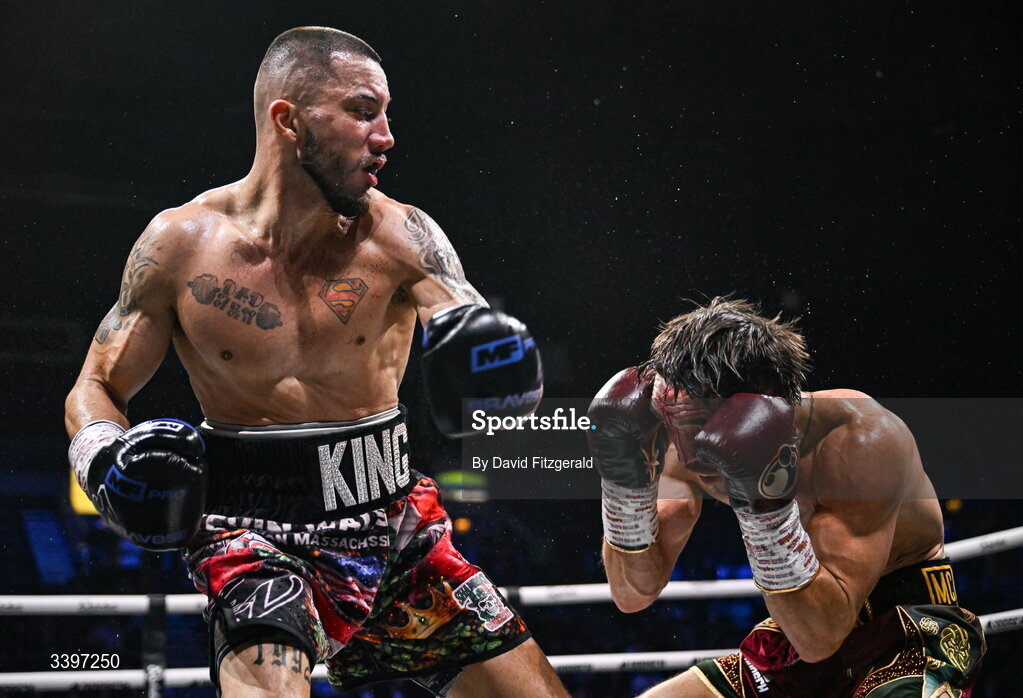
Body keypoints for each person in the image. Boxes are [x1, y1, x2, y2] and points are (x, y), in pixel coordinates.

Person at [64, 26, 567, 698]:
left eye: (385, 114)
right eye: (362, 112)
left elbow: (476, 337)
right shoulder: (180, 245)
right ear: (289, 121)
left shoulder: (400, 234)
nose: (385, 136)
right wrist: (102, 459)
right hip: (248, 536)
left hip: (395, 528)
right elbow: (95, 384)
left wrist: (505, 382)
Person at [588, 297, 985, 697]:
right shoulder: (686, 442)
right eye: (674, 423)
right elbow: (633, 593)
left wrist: (765, 511)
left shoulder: (860, 439)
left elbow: (822, 638)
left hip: (906, 626)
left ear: (765, 397)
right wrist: (625, 485)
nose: (689, 453)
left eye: (700, 421)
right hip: (798, 627)